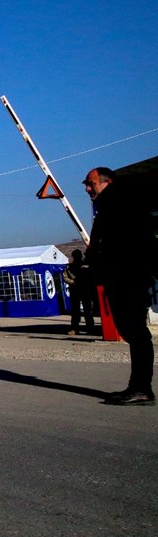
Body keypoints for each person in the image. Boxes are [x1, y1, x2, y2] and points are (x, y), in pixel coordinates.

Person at [83, 167, 157, 406]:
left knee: (135, 331)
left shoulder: (119, 202)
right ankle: (139, 386)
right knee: (132, 331)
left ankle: (141, 388)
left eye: (91, 183)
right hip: (125, 275)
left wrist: (99, 256)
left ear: (106, 182)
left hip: (127, 276)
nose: (87, 188)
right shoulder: (113, 203)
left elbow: (125, 242)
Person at [63, 249, 95, 336]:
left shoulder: (86, 266)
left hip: (85, 289)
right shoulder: (70, 267)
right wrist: (72, 282)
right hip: (75, 289)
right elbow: (65, 277)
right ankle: (75, 328)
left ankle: (90, 328)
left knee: (87, 310)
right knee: (75, 311)